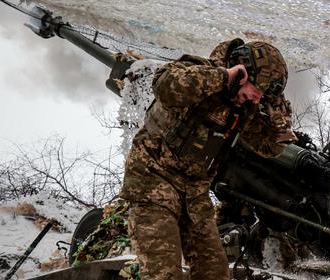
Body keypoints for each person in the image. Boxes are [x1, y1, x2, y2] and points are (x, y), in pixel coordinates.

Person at [119, 38, 296, 279]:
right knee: (164, 273)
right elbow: (164, 86)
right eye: (255, 92)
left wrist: (279, 120)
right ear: (242, 72)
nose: (256, 100)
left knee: (215, 273)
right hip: (152, 183)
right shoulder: (201, 71)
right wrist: (223, 78)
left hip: (194, 195)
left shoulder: (243, 105)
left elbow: (267, 148)